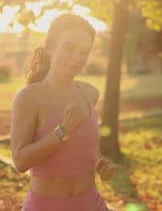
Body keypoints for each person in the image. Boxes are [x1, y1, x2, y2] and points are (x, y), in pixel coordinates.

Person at [11, 13, 117, 211]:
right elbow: (20, 161)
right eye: (69, 48)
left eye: (84, 51)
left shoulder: (89, 93)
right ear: (50, 48)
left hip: (91, 204)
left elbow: (85, 147)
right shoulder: (30, 98)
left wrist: (99, 162)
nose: (77, 58)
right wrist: (63, 130)